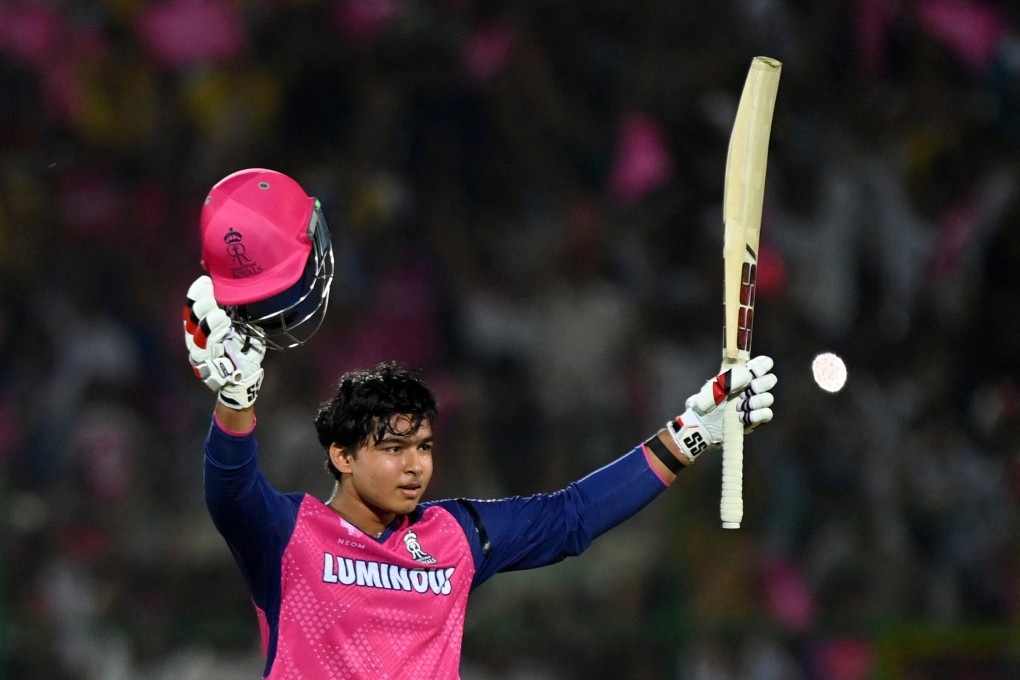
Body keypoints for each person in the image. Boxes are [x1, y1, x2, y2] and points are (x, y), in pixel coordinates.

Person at [183, 168, 778, 679]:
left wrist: (694, 431)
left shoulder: (454, 537)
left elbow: (572, 516)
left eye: (423, 447)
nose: (415, 466)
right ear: (342, 454)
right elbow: (229, 491)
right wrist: (236, 399)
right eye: (393, 448)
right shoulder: (289, 535)